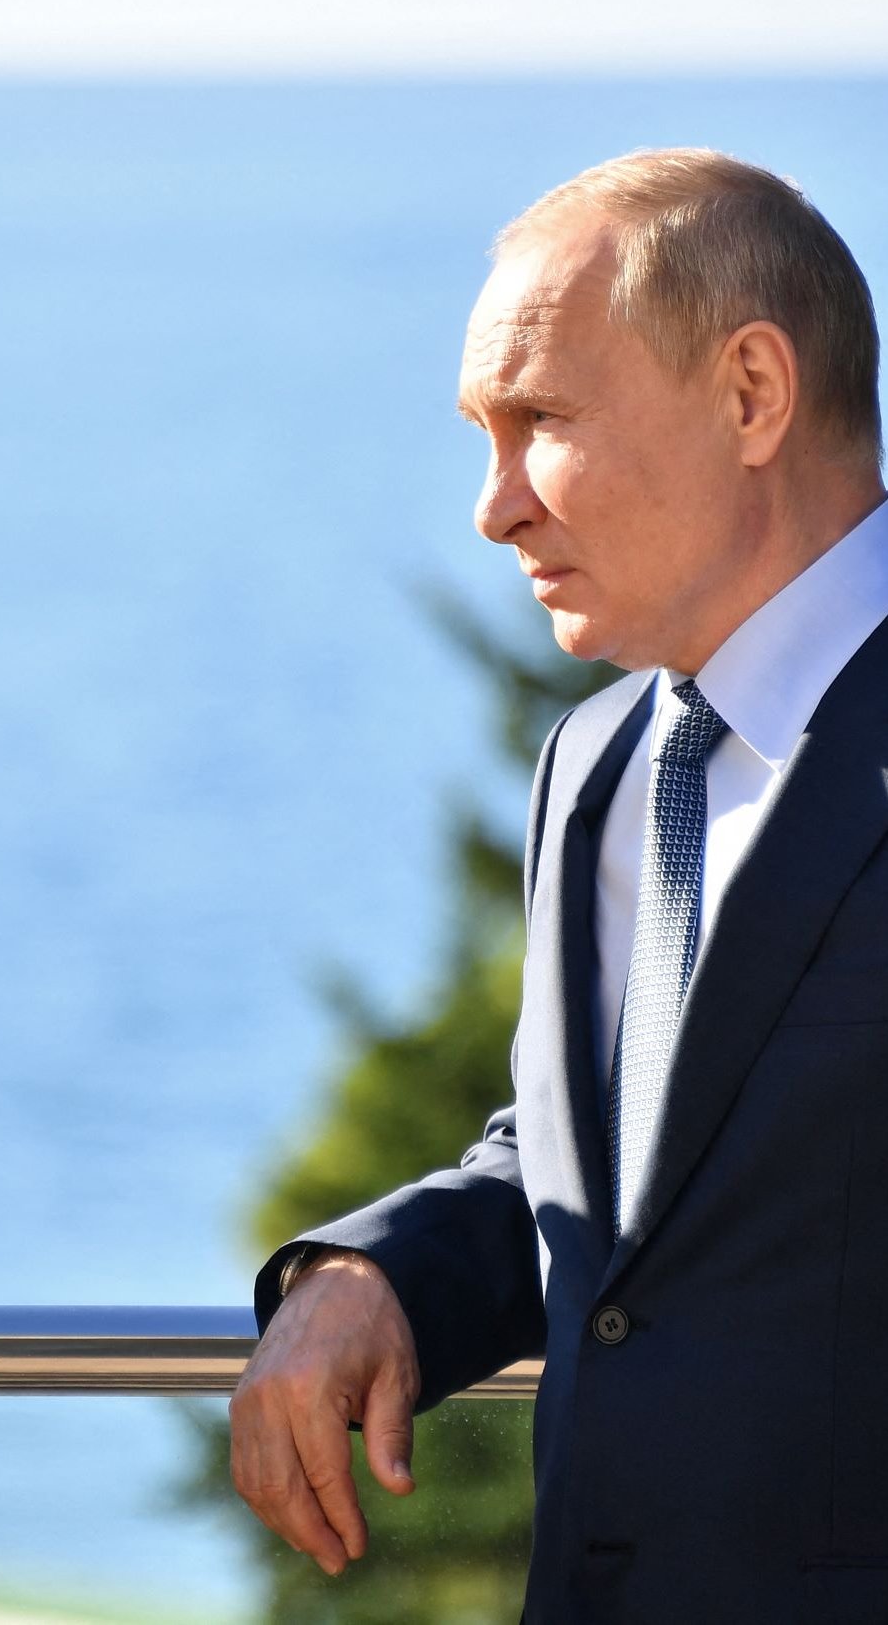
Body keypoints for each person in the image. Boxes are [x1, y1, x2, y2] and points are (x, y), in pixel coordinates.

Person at [230, 147, 888, 1623]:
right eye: (482, 434)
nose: (493, 507)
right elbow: (609, 1163)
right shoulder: (593, 762)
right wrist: (370, 1275)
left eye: (538, 423)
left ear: (750, 396)